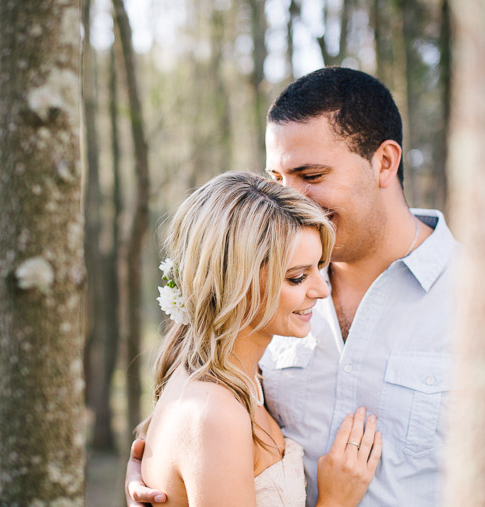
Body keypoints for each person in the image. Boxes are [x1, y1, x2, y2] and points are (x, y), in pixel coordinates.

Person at [128, 67, 459, 506]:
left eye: (312, 175)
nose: (293, 200)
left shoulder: (482, 302)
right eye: (279, 179)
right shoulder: (268, 290)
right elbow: (206, 414)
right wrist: (154, 471)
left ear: (384, 162)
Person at [135, 171, 383, 506]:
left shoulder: (245, 378)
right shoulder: (213, 414)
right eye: (297, 278)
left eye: (319, 269)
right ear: (237, 282)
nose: (322, 290)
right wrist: (336, 500)